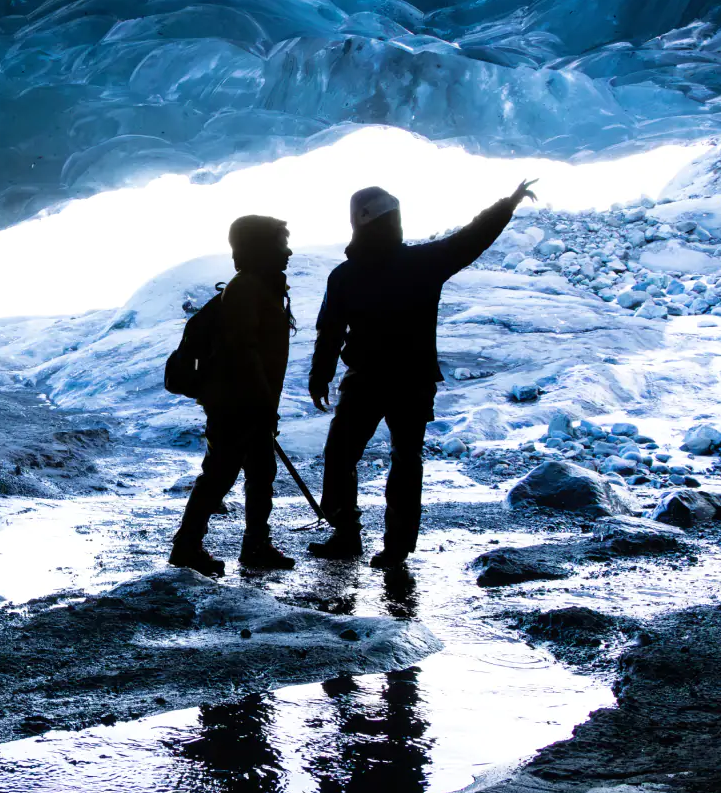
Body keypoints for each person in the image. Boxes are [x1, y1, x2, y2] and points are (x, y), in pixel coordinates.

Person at [307, 181, 537, 568]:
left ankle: (346, 533)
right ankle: (396, 547)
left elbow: (329, 330)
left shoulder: (345, 275)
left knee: (341, 455)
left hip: (365, 378)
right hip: (412, 380)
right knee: (406, 458)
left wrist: (321, 375)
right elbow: (472, 238)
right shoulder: (422, 263)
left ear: (358, 223)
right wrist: (507, 204)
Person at [169, 215, 298, 577]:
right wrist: (260, 403)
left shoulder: (261, 286)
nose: (287, 251)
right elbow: (243, 350)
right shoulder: (246, 289)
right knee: (221, 473)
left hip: (250, 400)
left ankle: (256, 545)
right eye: (279, 242)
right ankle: (187, 546)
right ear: (258, 247)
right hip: (239, 403)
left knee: (261, 471)